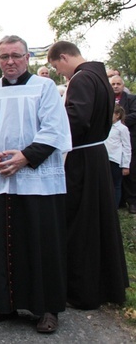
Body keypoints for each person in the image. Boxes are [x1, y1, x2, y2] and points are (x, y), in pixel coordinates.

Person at [0, 35, 70, 334]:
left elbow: (55, 128)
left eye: (15, 56)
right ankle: (3, 303)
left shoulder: (44, 87)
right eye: (4, 57)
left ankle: (46, 308)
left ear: (27, 58)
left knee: (40, 242)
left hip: (36, 181)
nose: (10, 62)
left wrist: (25, 157)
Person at [47, 41, 129, 311]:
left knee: (80, 224)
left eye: (57, 67)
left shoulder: (81, 79)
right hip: (95, 156)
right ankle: (105, 285)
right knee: (97, 222)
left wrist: (49, 138)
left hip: (81, 158)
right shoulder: (99, 76)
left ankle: (82, 290)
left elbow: (76, 119)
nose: (61, 74)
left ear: (64, 57)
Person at [110, 73, 136, 212]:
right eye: (113, 84)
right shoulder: (106, 99)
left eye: (118, 84)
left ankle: (132, 201)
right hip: (111, 143)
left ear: (123, 85)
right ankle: (118, 202)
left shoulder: (131, 99)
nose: (115, 86)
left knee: (130, 172)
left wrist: (119, 122)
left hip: (129, 137)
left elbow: (135, 114)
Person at [105, 105, 131, 210]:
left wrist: (126, 165)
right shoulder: (105, 126)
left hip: (115, 160)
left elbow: (127, 147)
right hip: (105, 159)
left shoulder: (122, 129)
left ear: (117, 115)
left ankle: (114, 208)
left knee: (116, 185)